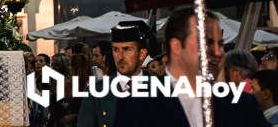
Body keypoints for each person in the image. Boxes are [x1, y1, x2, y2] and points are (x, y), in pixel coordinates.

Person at [114, 9, 267, 127]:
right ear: (176, 46)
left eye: (221, 44)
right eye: (207, 43)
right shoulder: (138, 103)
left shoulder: (242, 103)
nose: (218, 52)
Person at [78, 20, 150, 127]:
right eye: (116, 50)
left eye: (127, 49)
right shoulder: (97, 91)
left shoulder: (161, 89)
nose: (120, 57)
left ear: (142, 54)